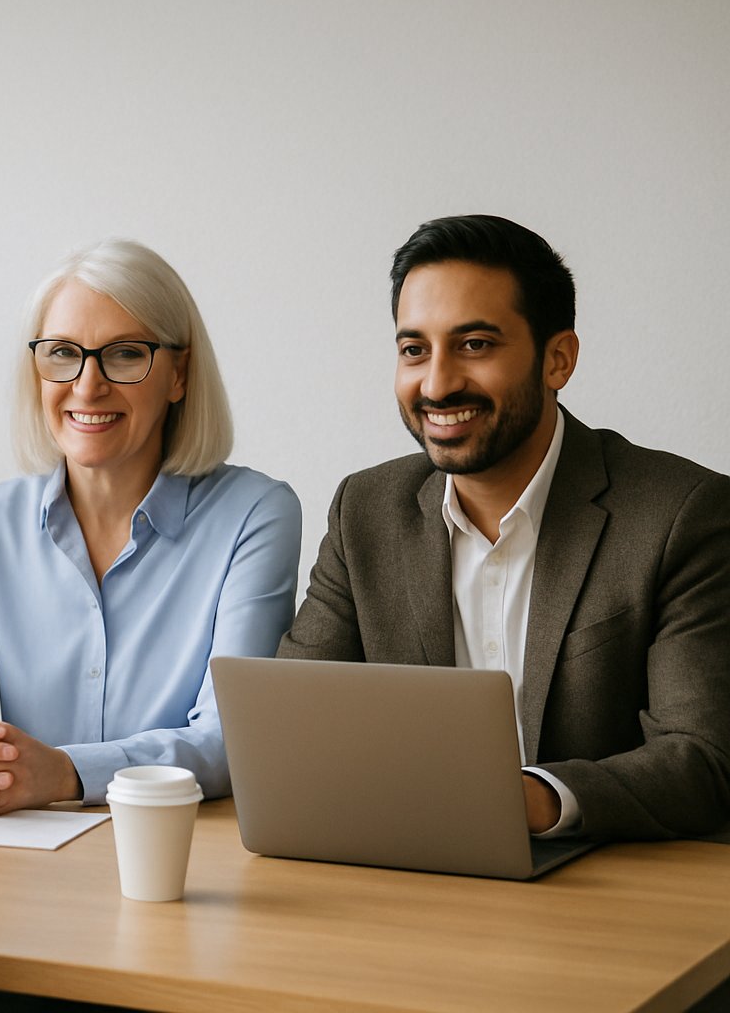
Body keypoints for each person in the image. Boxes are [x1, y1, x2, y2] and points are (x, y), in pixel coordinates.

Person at [279, 214, 730, 840]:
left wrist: (524, 800)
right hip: (409, 877)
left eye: (475, 345)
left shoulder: (683, 514)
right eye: (415, 350)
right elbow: (296, 722)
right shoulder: (365, 511)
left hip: (600, 890)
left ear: (558, 359)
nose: (436, 383)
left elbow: (702, 759)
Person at [0, 237, 301, 817]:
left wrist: (66, 772)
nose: (87, 385)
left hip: (184, 856)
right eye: (62, 353)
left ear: (178, 374)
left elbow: (230, 740)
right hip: (26, 860)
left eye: (125, 354)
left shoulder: (256, 514)